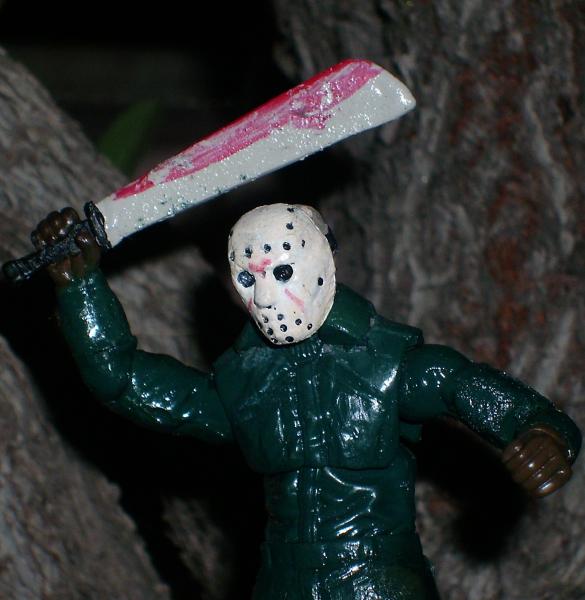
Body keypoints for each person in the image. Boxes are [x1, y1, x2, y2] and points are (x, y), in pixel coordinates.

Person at [34, 203, 581, 599]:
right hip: (283, 580)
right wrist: (81, 287)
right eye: (247, 277)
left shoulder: (387, 363)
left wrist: (539, 430)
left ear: (323, 261)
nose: (267, 295)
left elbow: (462, 386)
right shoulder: (243, 382)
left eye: (282, 272)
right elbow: (125, 380)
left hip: (376, 580)